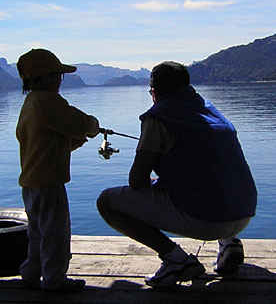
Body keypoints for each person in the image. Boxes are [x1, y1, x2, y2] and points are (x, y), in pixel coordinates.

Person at [97, 61, 257, 287]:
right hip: (244, 212)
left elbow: (137, 181)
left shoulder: (158, 118)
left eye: (150, 90)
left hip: (207, 221)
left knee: (106, 202)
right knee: (213, 177)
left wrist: (155, 181)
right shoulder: (212, 111)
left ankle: (175, 260)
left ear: (155, 89)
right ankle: (230, 244)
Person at [16, 48, 99, 293]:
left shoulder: (30, 103)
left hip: (30, 183)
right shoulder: (49, 102)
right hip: (49, 183)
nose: (60, 81)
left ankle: (31, 273)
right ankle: (54, 280)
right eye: (57, 76)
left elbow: (48, 140)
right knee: (56, 235)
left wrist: (77, 140)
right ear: (43, 79)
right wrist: (93, 127)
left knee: (37, 233)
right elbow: (79, 123)